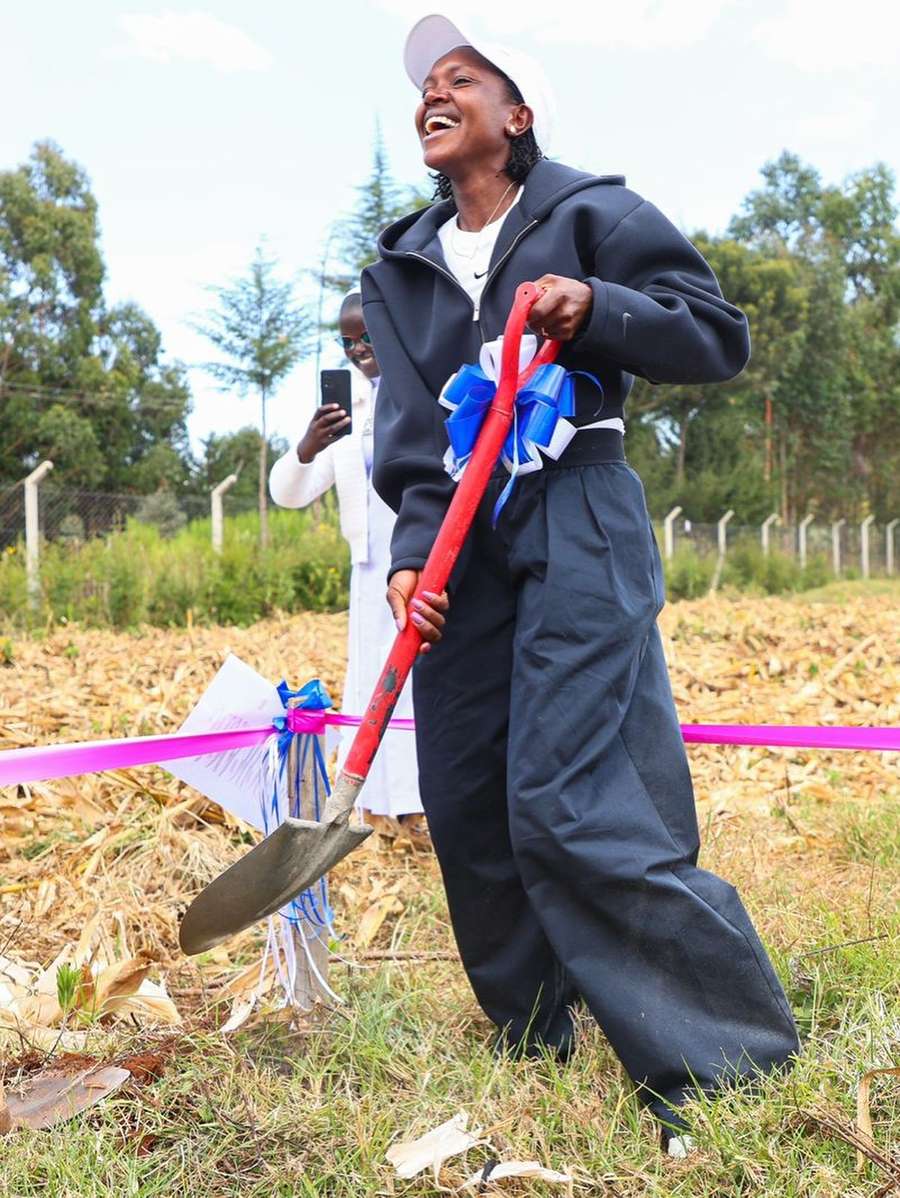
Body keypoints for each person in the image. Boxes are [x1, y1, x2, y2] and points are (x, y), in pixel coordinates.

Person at [361, 13, 799, 1148]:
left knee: (569, 790)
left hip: (577, 504)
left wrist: (594, 306)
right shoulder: (402, 264)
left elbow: (715, 335)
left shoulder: (590, 211)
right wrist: (413, 558)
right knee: (467, 793)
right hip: (462, 539)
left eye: (462, 80)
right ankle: (536, 1029)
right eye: (424, 86)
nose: (432, 95)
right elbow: (411, 442)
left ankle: (721, 1065)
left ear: (520, 115)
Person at [269, 292, 428, 847]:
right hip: (370, 571)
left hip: (427, 563)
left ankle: (424, 807)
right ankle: (381, 810)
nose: (359, 349)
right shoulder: (349, 410)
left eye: (367, 336)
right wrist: (307, 448)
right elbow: (289, 494)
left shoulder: (424, 385)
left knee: (421, 685)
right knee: (372, 685)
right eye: (347, 341)